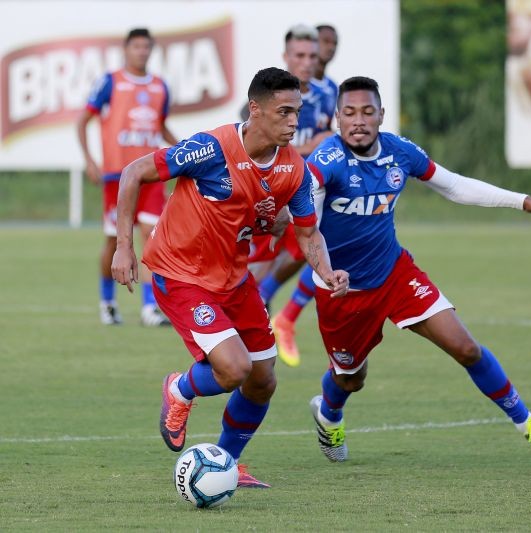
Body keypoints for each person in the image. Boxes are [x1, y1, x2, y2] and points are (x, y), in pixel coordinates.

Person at [305, 76, 531, 462]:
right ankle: (329, 417)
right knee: (350, 378)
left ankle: (528, 422)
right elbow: (307, 228)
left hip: (395, 273)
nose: (358, 121)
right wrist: (328, 270)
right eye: (349, 113)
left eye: (368, 111)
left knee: (465, 347)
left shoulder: (400, 153)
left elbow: (453, 186)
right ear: (337, 118)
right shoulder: (324, 163)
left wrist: (523, 201)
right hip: (342, 291)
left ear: (382, 115)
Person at [110, 67, 349, 487]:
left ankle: (227, 463)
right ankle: (179, 389)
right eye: (285, 112)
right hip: (180, 275)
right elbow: (133, 173)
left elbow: (308, 233)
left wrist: (326, 272)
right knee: (234, 368)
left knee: (263, 380)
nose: (294, 122)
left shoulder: (294, 169)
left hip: (233, 281)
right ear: (255, 109)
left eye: (298, 112)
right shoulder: (210, 148)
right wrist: (124, 246)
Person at [77, 28, 178, 327]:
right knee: (114, 241)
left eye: (147, 47)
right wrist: (89, 160)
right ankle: (107, 302)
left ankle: (150, 308)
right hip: (118, 178)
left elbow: (161, 127)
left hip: (150, 176)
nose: (142, 52)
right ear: (126, 49)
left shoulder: (160, 87)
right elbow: (83, 121)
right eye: (137, 46)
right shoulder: (111, 82)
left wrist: (185, 155)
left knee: (152, 239)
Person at [250, 24, 337, 367]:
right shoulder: (267, 96)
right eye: (299, 56)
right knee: (250, 268)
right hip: (267, 192)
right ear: (286, 57)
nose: (306, 62)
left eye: (312, 56)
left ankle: (276, 312)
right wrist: (311, 145)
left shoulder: (327, 94)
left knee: (319, 245)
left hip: (304, 190)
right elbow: (258, 147)